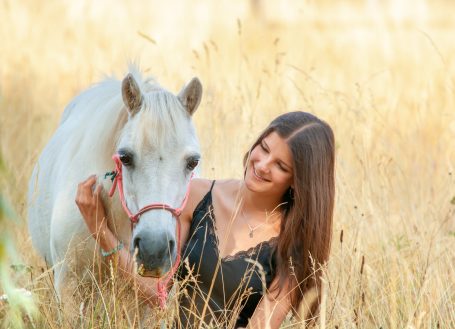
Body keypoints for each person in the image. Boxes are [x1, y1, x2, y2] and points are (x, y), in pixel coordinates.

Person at [76, 111, 335, 328]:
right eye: (264, 148)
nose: (263, 165)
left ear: (297, 182)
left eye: (281, 165)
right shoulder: (197, 194)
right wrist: (101, 232)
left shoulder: (293, 243)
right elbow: (154, 290)